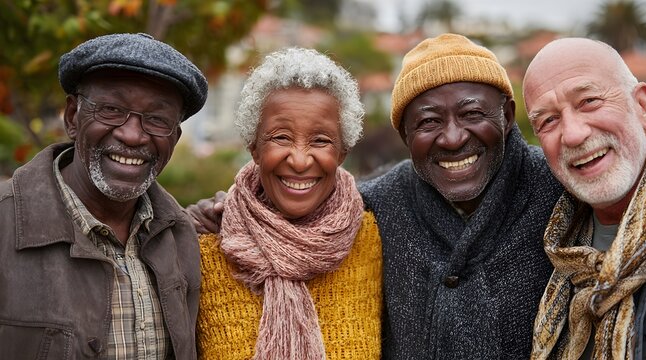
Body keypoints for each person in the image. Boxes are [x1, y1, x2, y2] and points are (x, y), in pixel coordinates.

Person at [188, 33, 565, 359]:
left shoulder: (560, 190)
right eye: (429, 122)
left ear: (508, 114)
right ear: (405, 136)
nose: (453, 138)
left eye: (472, 114)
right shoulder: (382, 205)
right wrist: (229, 212)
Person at [0, 33, 207, 359]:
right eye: (111, 110)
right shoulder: (5, 224)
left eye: (156, 119)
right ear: (72, 117)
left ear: (175, 138)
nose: (133, 135)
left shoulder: (182, 237)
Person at [523, 37, 646, 360]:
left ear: (642, 105)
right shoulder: (549, 250)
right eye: (548, 121)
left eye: (588, 101)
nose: (573, 134)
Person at [195, 47, 382, 359]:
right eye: (281, 138)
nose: (298, 160)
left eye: (321, 141)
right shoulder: (205, 247)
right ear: (254, 148)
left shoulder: (373, 239)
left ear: (342, 154)